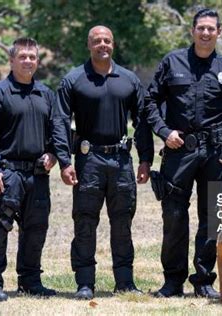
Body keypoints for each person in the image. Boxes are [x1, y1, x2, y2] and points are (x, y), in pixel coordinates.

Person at [144, 8, 222, 298]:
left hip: (216, 152)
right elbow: (150, 102)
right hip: (179, 151)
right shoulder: (172, 62)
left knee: (211, 218)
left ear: (219, 33)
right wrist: (165, 132)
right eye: (200, 28)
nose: (205, 33)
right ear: (192, 31)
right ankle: (172, 282)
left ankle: (203, 281)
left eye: (210, 29)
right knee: (174, 215)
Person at [52, 25, 154, 300]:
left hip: (121, 160)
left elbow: (143, 121)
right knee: (85, 222)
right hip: (88, 161)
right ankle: (85, 282)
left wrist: (145, 159)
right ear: (89, 45)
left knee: (123, 222)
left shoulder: (129, 80)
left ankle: (125, 281)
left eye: (107, 40)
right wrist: (64, 161)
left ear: (113, 44)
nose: (102, 45)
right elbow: (60, 122)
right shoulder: (74, 79)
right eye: (97, 41)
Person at [0, 37, 57, 301]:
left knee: (36, 229)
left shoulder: (45, 94)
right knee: (0, 227)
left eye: (32, 57)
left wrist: (54, 155)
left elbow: (58, 132)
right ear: (12, 60)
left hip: (38, 175)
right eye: (22, 56)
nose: (28, 61)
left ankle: (30, 281)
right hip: (6, 173)